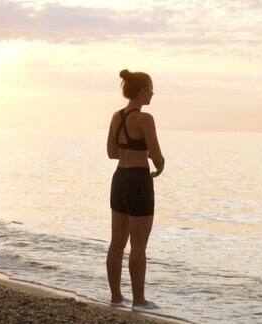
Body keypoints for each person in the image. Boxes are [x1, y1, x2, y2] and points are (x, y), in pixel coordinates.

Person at [106, 69, 165, 311]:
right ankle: (139, 300)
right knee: (138, 246)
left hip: (119, 179)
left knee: (116, 243)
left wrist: (128, 151)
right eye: (151, 88)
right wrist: (160, 165)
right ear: (142, 91)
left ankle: (116, 297)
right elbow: (156, 155)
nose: (153, 92)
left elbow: (111, 152)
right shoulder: (145, 119)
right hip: (139, 181)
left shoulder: (116, 116)